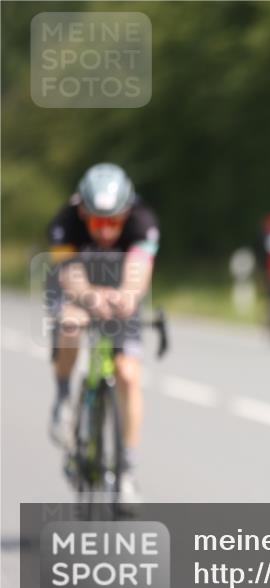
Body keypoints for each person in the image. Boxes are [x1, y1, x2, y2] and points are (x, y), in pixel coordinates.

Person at [47, 163, 160, 505]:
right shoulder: (65, 222)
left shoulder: (142, 220)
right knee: (70, 324)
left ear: (126, 212)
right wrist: (89, 297)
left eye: (114, 221)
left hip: (120, 291)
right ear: (83, 212)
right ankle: (63, 397)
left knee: (128, 374)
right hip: (79, 290)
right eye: (97, 223)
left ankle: (126, 470)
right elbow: (69, 273)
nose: (107, 231)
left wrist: (127, 296)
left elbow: (139, 269)